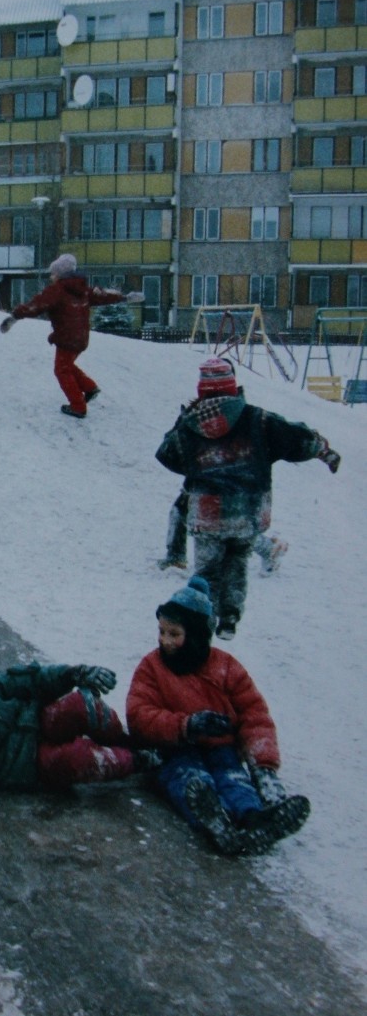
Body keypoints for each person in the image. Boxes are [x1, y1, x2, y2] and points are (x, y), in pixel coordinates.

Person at [155, 357, 341, 639]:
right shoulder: (258, 419)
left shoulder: (190, 426)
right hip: (249, 510)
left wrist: (188, 433)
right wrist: (323, 450)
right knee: (238, 561)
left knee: (206, 571)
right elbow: (297, 439)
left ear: (201, 390)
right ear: (232, 386)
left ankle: (202, 623)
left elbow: (167, 454)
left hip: (207, 513)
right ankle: (230, 616)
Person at [126, 575, 310, 856]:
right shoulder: (152, 667)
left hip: (221, 747)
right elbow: (139, 714)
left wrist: (263, 765)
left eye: (174, 634)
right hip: (174, 749)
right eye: (162, 632)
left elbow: (254, 713)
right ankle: (217, 819)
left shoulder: (225, 668)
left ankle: (255, 818)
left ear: (197, 635)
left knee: (232, 776)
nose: (166, 641)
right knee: (190, 779)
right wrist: (186, 725)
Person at [0, 636, 158, 825]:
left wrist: (75, 674)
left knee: (80, 704)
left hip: (39, 722)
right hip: (29, 765)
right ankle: (139, 760)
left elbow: (31, 679)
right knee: (76, 757)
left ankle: (132, 742)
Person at [0, 253, 142, 419]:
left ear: (60, 274)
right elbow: (102, 296)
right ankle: (89, 388)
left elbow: (36, 305)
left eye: (54, 274)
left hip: (67, 337)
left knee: (61, 370)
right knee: (66, 365)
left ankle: (78, 407)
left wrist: (14, 316)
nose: (52, 277)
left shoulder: (57, 290)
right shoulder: (82, 290)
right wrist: (125, 298)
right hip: (80, 337)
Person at [159, 485, 288, 576]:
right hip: (211, 470)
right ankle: (175, 556)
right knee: (183, 509)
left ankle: (268, 548)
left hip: (215, 471)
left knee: (219, 523)